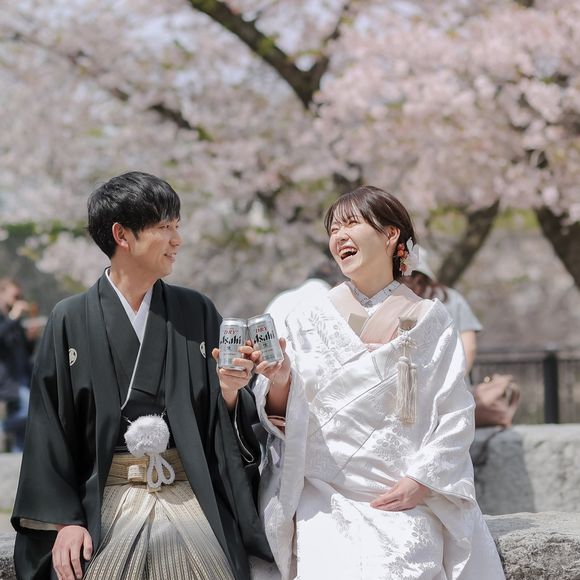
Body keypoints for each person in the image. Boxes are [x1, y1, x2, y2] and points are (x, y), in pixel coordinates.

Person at [11, 172, 272, 580]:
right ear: (122, 235)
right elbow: (48, 428)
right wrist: (65, 522)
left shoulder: (196, 310)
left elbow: (221, 425)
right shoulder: (69, 319)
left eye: (177, 226)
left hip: (187, 492)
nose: (177, 240)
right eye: (164, 227)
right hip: (104, 495)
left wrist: (229, 392)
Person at [250, 186, 504, 579]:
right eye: (333, 229)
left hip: (404, 494)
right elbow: (284, 414)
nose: (339, 236)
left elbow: (456, 412)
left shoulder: (430, 318)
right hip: (324, 494)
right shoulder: (307, 317)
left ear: (390, 235)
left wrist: (421, 481)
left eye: (351, 224)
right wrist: (281, 381)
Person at [401, 249, 482, 374]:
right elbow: (469, 346)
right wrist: (459, 376)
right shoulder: (452, 297)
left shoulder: (394, 298)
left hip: (409, 378)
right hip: (449, 376)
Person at [0, 278, 38, 451]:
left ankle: (18, 459)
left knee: (23, 431)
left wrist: (31, 339)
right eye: (15, 296)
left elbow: (25, 352)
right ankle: (3, 428)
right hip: (9, 380)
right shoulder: (9, 319)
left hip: (23, 377)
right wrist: (13, 317)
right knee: (30, 411)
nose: (18, 300)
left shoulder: (14, 321)